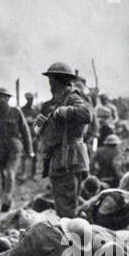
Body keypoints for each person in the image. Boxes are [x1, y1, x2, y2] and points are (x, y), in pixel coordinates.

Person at [35, 62, 92, 218]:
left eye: (51, 80)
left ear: (56, 80)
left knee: (67, 210)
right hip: (61, 160)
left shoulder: (72, 97)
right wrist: (42, 125)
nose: (49, 84)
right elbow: (52, 133)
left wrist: (63, 111)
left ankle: (71, 240)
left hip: (68, 159)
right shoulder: (56, 101)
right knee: (66, 207)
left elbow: (86, 114)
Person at [0, 87, 32, 212]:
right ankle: (8, 199)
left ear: (8, 98)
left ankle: (6, 200)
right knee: (3, 175)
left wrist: (29, 150)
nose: (2, 99)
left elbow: (25, 131)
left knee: (10, 172)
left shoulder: (16, 112)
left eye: (4, 97)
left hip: (14, 146)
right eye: (0, 97)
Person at [20, 92, 40, 179]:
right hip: (25, 135)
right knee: (24, 154)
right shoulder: (22, 110)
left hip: (34, 135)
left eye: (31, 99)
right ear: (26, 100)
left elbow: (38, 122)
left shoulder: (35, 110)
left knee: (34, 155)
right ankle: (23, 173)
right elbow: (21, 123)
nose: (30, 101)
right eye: (29, 99)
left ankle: (33, 174)